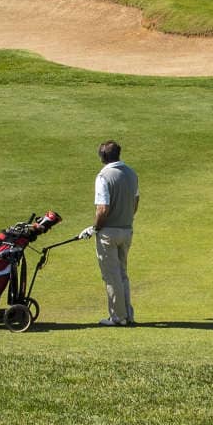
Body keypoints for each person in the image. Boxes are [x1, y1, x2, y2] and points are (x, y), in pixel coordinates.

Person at [89, 138, 138, 326]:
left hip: (108, 232)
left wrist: (96, 227)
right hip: (126, 230)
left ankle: (118, 317)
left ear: (103, 156)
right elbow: (135, 202)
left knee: (112, 275)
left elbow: (102, 209)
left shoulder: (103, 177)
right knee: (122, 273)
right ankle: (128, 314)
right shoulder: (132, 174)